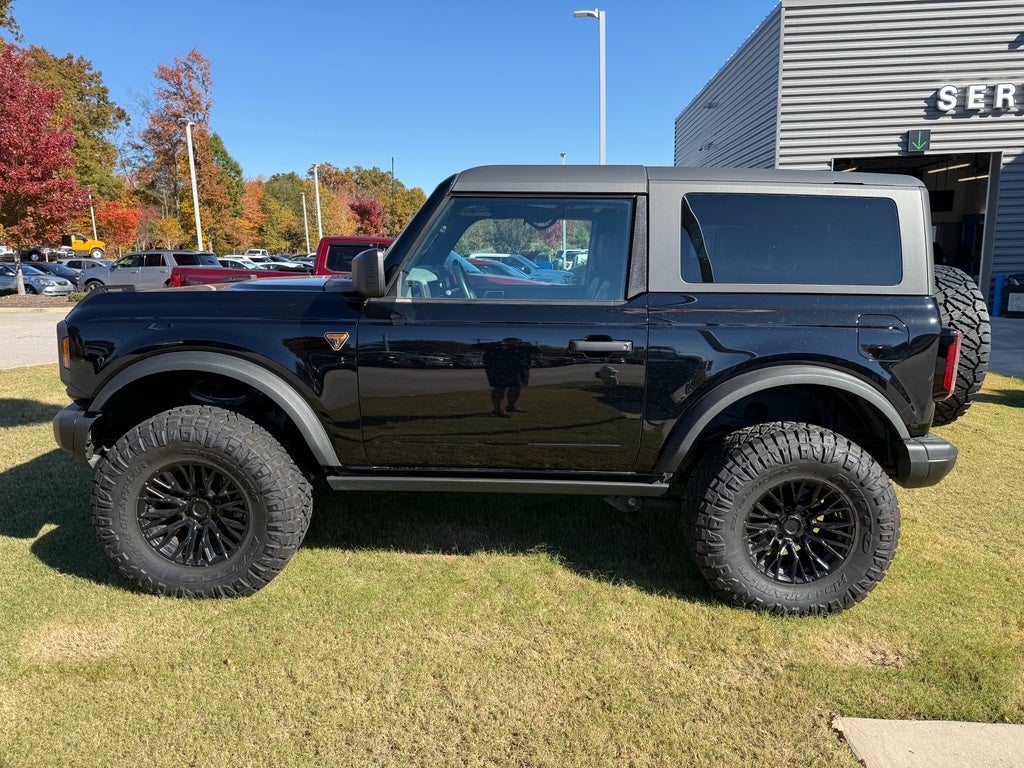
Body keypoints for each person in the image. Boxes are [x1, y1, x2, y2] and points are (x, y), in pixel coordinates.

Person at [482, 337, 533, 417]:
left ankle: (511, 407)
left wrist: (526, 368)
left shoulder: (522, 348)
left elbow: (528, 358)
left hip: (518, 371)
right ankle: (497, 410)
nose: (514, 342)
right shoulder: (497, 347)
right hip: (501, 372)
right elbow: (487, 359)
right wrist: (491, 371)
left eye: (516, 341)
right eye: (511, 341)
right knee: (499, 388)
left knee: (516, 388)